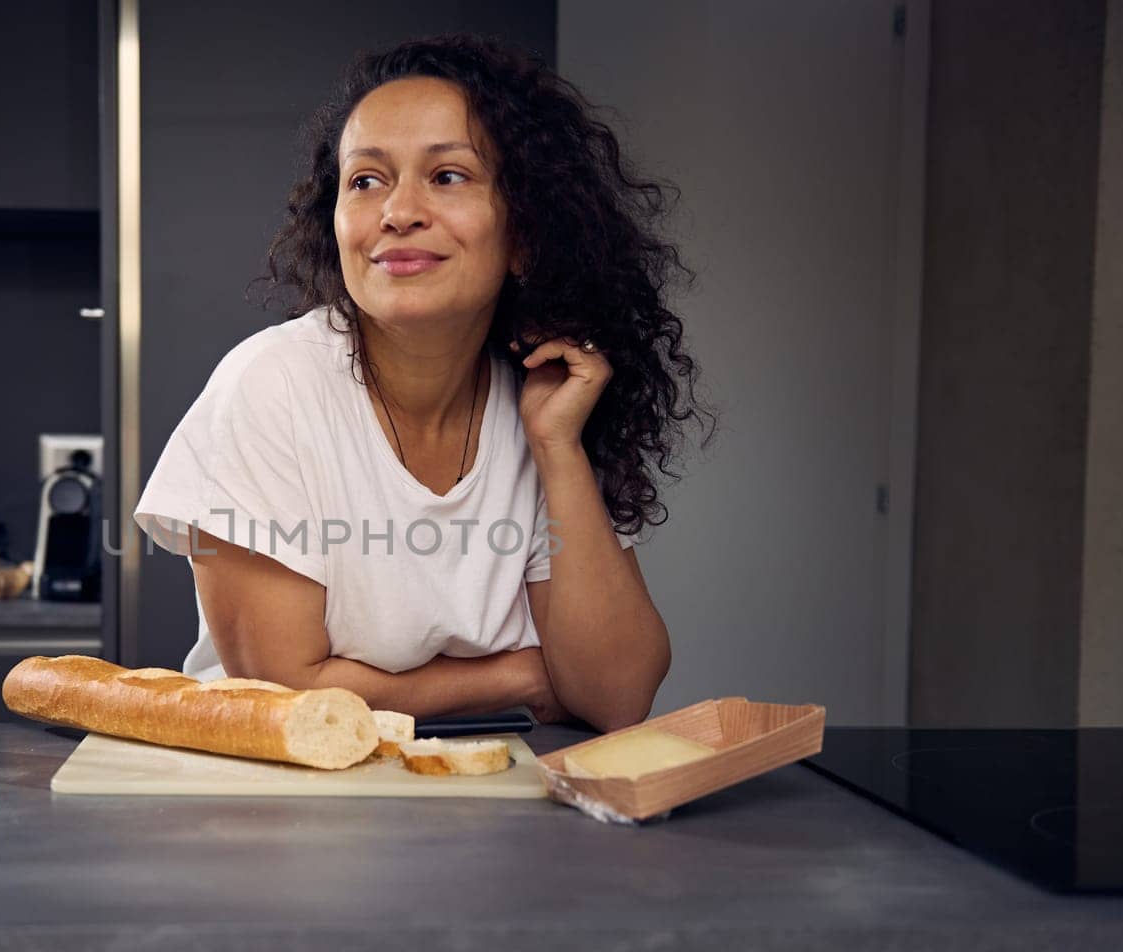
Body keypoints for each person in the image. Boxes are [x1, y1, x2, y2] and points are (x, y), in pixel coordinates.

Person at [133, 34, 714, 730]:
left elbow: (616, 694)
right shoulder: (270, 385)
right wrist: (522, 676)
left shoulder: (538, 404)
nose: (397, 211)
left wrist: (557, 447)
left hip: (491, 808)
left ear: (526, 232)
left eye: (447, 176)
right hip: (286, 810)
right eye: (366, 180)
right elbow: (287, 689)